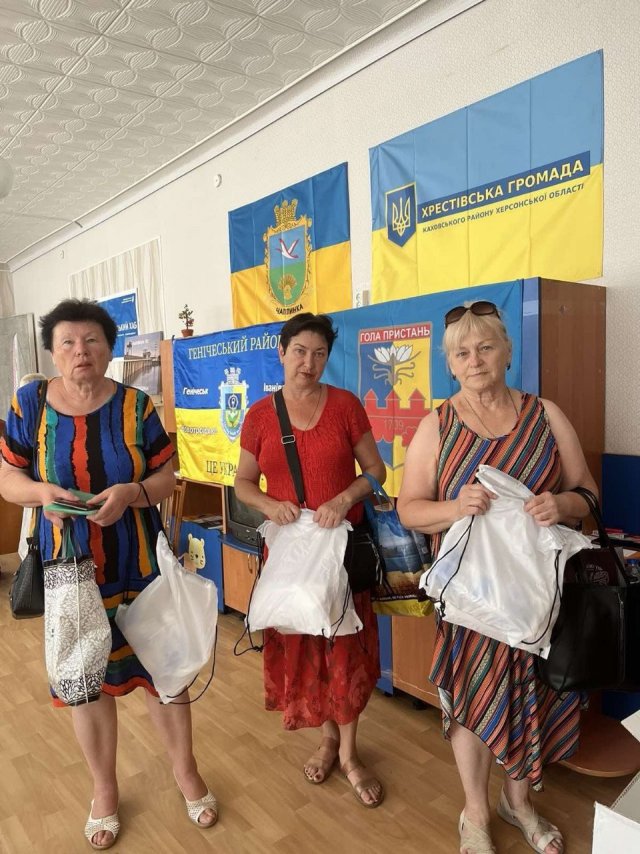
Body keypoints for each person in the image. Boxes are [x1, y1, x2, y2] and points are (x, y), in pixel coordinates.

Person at [0, 299, 217, 850]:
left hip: (138, 564)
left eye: (92, 340)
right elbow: (8, 478)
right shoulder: (29, 405)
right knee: (87, 680)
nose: (81, 351)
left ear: (109, 348)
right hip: (72, 571)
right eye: (68, 342)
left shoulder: (136, 406)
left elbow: (168, 477)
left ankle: (187, 772)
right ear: (53, 353)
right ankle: (104, 790)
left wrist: (133, 492)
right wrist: (40, 494)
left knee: (166, 672)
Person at [397, 300, 597, 854]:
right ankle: (476, 813)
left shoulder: (546, 415)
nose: (475, 360)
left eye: (485, 347)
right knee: (472, 698)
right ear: (449, 364)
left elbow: (588, 493)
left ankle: (519, 802)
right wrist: (454, 507)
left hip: (538, 598)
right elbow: (409, 509)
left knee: (535, 694)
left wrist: (562, 503)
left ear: (507, 351)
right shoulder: (437, 425)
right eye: (462, 353)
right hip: (473, 600)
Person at [234, 312, 386, 808]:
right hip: (289, 555)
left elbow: (376, 470)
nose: (308, 362)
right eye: (299, 351)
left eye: (319, 354)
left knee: (345, 649)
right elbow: (242, 484)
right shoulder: (260, 415)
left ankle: (350, 754)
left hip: (339, 553)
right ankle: (326, 740)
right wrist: (267, 504)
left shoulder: (344, 406)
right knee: (306, 644)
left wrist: (343, 499)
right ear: (281, 352)